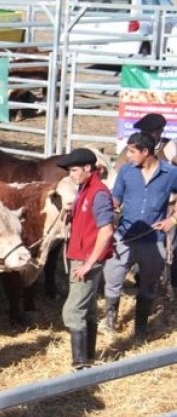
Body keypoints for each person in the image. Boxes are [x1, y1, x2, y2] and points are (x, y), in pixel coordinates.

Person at [103, 133, 177, 341]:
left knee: (148, 286)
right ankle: (109, 325)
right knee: (112, 281)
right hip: (124, 237)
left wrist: (173, 220)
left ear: (146, 152)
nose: (128, 155)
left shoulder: (170, 173)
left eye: (132, 151)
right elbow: (116, 199)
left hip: (153, 240)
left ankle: (140, 330)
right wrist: (108, 210)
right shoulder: (126, 171)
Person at [58, 149, 115, 370]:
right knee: (88, 307)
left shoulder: (98, 193)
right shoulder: (85, 189)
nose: (71, 175)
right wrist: (70, 212)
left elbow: (106, 231)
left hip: (86, 259)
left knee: (73, 311)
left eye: (74, 170)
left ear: (88, 168)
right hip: (81, 255)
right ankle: (88, 358)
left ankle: (80, 365)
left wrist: (89, 264)